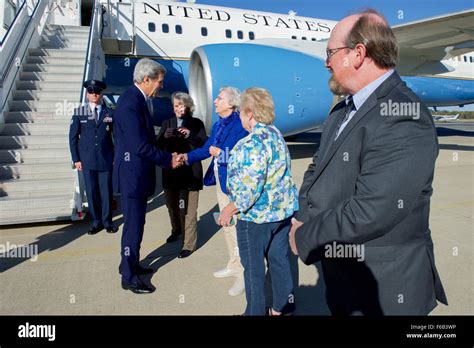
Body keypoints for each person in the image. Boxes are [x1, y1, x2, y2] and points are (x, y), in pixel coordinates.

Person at [289, 9, 448, 315]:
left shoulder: (403, 115)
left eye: (331, 53)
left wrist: (305, 236)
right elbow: (317, 169)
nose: (326, 63)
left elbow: (372, 209)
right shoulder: (342, 111)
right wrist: (304, 215)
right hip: (344, 279)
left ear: (358, 54)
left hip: (386, 289)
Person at [219, 87, 299, 316]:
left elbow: (249, 190)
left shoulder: (251, 144)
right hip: (281, 215)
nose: (241, 118)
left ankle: (254, 313)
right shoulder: (276, 134)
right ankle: (283, 308)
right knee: (279, 262)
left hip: (256, 219)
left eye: (242, 114)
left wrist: (228, 209)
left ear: (250, 113)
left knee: (253, 271)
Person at [113, 58, 182, 294]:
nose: (161, 86)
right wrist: (168, 159)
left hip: (138, 175)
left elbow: (146, 141)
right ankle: (128, 277)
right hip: (133, 177)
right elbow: (139, 146)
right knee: (132, 226)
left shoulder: (138, 99)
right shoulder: (130, 103)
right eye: (159, 82)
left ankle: (130, 263)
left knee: (137, 224)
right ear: (146, 79)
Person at [179, 87, 248, 296]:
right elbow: (206, 148)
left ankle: (244, 274)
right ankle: (234, 264)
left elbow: (242, 156)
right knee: (227, 225)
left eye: (219, 98)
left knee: (237, 229)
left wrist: (221, 154)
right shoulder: (218, 125)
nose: (215, 101)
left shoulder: (240, 125)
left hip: (234, 184)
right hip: (221, 181)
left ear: (231, 104)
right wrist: (186, 157)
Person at [156, 92, 207, 258]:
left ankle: (188, 244)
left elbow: (203, 145)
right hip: (171, 172)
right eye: (176, 105)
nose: (179, 109)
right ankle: (176, 229)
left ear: (188, 107)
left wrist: (190, 135)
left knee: (190, 211)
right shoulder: (166, 123)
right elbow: (157, 146)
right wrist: (165, 136)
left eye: (182, 105)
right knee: (172, 206)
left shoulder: (197, 123)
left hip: (190, 172)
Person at [69, 79, 117, 235]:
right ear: (87, 94)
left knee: (106, 192)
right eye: (91, 92)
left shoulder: (110, 112)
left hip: (106, 158)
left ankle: (108, 222)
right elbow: (73, 138)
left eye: (97, 92)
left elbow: (117, 137)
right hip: (87, 159)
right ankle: (97, 222)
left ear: (101, 93)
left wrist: (117, 156)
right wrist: (76, 159)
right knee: (92, 191)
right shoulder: (79, 113)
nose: (94, 94)